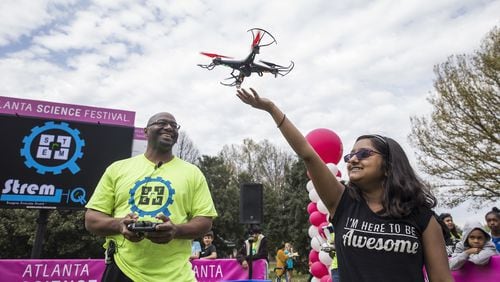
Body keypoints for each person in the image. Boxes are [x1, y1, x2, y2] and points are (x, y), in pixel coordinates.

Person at [236, 88, 453, 282]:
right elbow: (308, 154)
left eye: (364, 154)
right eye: (350, 155)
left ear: (388, 166)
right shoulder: (343, 202)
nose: (353, 159)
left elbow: (442, 279)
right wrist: (272, 109)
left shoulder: (422, 217)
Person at [84, 112, 218, 282]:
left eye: (174, 125)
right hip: (123, 270)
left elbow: (205, 221)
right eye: (162, 122)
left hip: (176, 275)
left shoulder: (193, 173)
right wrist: (120, 225)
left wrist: (176, 230)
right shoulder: (117, 169)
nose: (169, 127)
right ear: (146, 131)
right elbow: (92, 219)